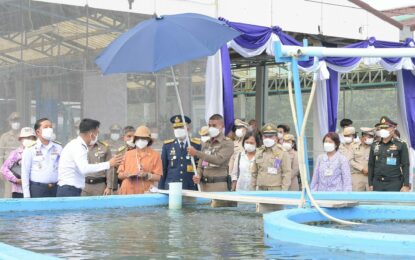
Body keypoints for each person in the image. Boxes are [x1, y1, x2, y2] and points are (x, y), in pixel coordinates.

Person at [57, 119, 123, 197]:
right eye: (97, 133)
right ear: (91, 134)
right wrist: (109, 164)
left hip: (71, 188)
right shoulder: (78, 147)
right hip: (69, 190)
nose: (97, 136)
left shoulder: (76, 144)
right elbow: (84, 168)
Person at [188, 114, 234, 193]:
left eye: (214, 125)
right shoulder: (207, 143)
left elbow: (218, 159)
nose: (211, 128)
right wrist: (198, 175)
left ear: (221, 126)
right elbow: (200, 165)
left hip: (218, 186)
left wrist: (196, 153)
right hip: (204, 186)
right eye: (209, 125)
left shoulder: (227, 143)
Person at [21, 118, 62, 198]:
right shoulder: (30, 149)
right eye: (46, 127)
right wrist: (26, 195)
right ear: (38, 132)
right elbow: (25, 173)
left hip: (55, 188)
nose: (49, 129)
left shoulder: (58, 147)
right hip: (37, 189)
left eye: (50, 127)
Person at [368, 116, 410, 192]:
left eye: (386, 128)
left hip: (394, 183)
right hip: (377, 183)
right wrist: (370, 183)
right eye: (381, 128)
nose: (383, 130)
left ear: (393, 129)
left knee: (393, 203)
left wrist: (406, 184)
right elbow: (371, 165)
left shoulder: (401, 144)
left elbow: (405, 165)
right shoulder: (374, 145)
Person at [159, 115, 201, 190]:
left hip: (190, 186)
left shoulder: (196, 145)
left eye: (181, 128)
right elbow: (163, 169)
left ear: (188, 129)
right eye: (175, 128)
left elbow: (200, 167)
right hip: (172, 188)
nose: (178, 130)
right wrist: (161, 189)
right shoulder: (167, 146)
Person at [117, 125, 162, 195]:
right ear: (135, 140)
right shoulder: (127, 154)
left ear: (148, 140)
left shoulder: (155, 155)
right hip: (127, 191)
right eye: (138, 138)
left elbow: (158, 177)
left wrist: (146, 175)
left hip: (145, 191)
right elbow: (119, 175)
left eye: (144, 138)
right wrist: (125, 174)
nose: (141, 140)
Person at [251, 123, 291, 191]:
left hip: (276, 189)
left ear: (276, 137)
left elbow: (286, 174)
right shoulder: (259, 152)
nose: (267, 139)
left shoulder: (282, 152)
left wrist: (284, 192)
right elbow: (254, 172)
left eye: (270, 136)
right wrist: (253, 188)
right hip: (261, 189)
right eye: (265, 136)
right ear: (262, 137)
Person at [1, 127, 36, 198]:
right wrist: (16, 180)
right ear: (20, 139)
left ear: (35, 139)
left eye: (30, 137)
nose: (28, 139)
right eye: (25, 137)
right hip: (19, 191)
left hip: (35, 189)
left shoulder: (39, 152)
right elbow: (4, 169)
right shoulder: (15, 153)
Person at [0, 112, 21, 198]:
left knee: (20, 193)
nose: (16, 122)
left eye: (17, 120)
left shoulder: (23, 135)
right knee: (8, 194)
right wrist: (1, 171)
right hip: (8, 170)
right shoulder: (4, 137)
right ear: (9, 122)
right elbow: (0, 155)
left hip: (21, 170)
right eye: (13, 120)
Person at [350, 127, 374, 191]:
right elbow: (350, 160)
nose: (371, 139)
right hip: (357, 175)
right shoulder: (353, 146)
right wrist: (362, 168)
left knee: (371, 198)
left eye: (372, 137)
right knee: (357, 198)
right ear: (363, 137)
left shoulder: (374, 147)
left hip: (370, 177)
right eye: (369, 137)